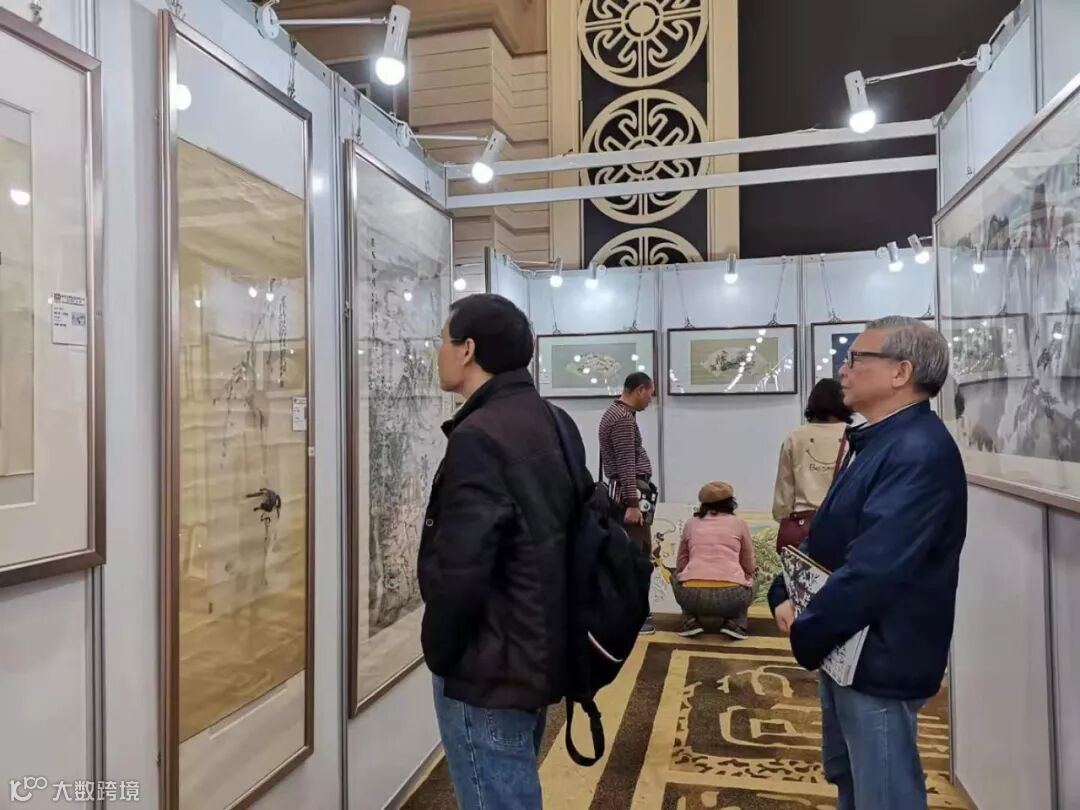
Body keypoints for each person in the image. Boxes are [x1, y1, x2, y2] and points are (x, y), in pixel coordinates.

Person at [768, 316, 967, 810]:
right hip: (849, 647)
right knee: (851, 779)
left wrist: (808, 629)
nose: (844, 368)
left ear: (901, 372)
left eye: (856, 358)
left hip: (878, 655)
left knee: (884, 793)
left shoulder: (917, 451)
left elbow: (875, 569)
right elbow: (830, 535)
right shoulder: (880, 439)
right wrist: (784, 589)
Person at [419, 294, 586, 810]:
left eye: (442, 341)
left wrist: (441, 650)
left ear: (467, 349)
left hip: (487, 666)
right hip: (538, 648)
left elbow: (463, 566)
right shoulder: (555, 420)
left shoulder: (479, 435)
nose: (438, 353)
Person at [598, 371, 657, 634]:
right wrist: (633, 503)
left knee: (629, 555)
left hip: (621, 493)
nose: (650, 400)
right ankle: (635, 617)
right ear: (640, 390)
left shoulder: (616, 413)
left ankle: (632, 613)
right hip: (628, 496)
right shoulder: (622, 418)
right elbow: (626, 463)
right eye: (650, 395)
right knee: (637, 556)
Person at [772, 378, 854, 551]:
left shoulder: (795, 437)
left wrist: (785, 519)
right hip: (841, 527)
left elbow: (784, 491)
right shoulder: (854, 436)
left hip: (802, 528)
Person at [673, 482, 755, 640]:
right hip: (732, 596)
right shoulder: (739, 524)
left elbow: (681, 563)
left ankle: (689, 621)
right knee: (754, 575)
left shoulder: (691, 524)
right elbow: (749, 564)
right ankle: (737, 623)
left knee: (676, 575)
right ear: (731, 503)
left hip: (692, 596)